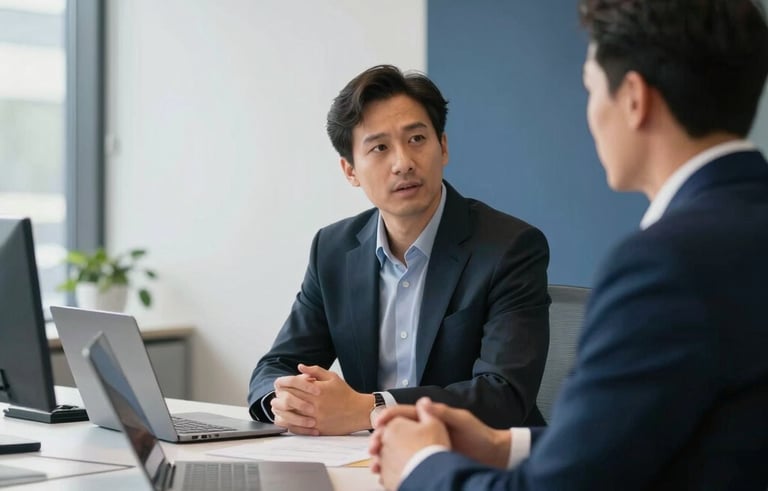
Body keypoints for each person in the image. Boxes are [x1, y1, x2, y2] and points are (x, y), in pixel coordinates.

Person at [370, 0, 768, 489]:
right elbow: (686, 432)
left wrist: (419, 465)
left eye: (590, 89)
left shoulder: (665, 265)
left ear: (634, 99)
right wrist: (502, 445)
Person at [246, 65, 551, 436]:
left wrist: (369, 409)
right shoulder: (333, 250)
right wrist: (288, 402)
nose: (403, 162)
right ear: (350, 170)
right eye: (379, 147)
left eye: (417, 139)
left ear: (443, 147)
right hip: (367, 462)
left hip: (478, 463)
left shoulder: (509, 247)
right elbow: (276, 367)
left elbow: (502, 396)